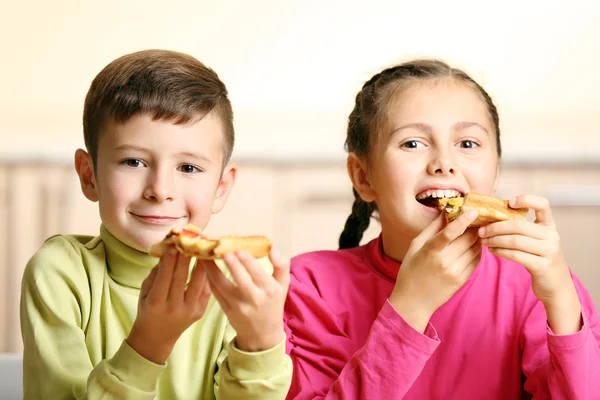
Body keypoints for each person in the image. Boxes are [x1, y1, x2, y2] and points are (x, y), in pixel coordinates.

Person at [283, 59, 600, 399]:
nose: (444, 163)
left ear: (494, 174)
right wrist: (411, 306)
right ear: (363, 176)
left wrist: (562, 302)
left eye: (467, 144)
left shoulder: (532, 285)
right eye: (413, 144)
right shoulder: (308, 286)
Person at [20, 49, 292, 399]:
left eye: (188, 168)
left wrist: (261, 343)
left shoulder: (240, 282)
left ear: (221, 188)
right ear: (89, 176)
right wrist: (150, 343)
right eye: (132, 161)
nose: (160, 190)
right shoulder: (60, 273)